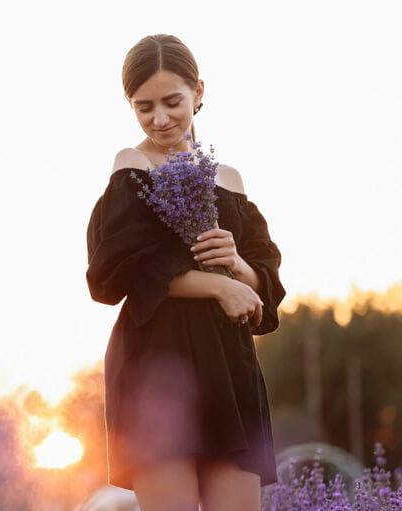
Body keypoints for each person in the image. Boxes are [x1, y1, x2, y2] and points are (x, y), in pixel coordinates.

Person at [85, 34, 286, 511]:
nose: (159, 119)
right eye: (143, 107)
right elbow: (115, 273)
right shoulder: (131, 168)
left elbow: (267, 283)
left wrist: (237, 267)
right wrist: (217, 285)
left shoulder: (229, 180)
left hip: (228, 366)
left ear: (198, 91)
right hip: (157, 367)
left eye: (172, 102)